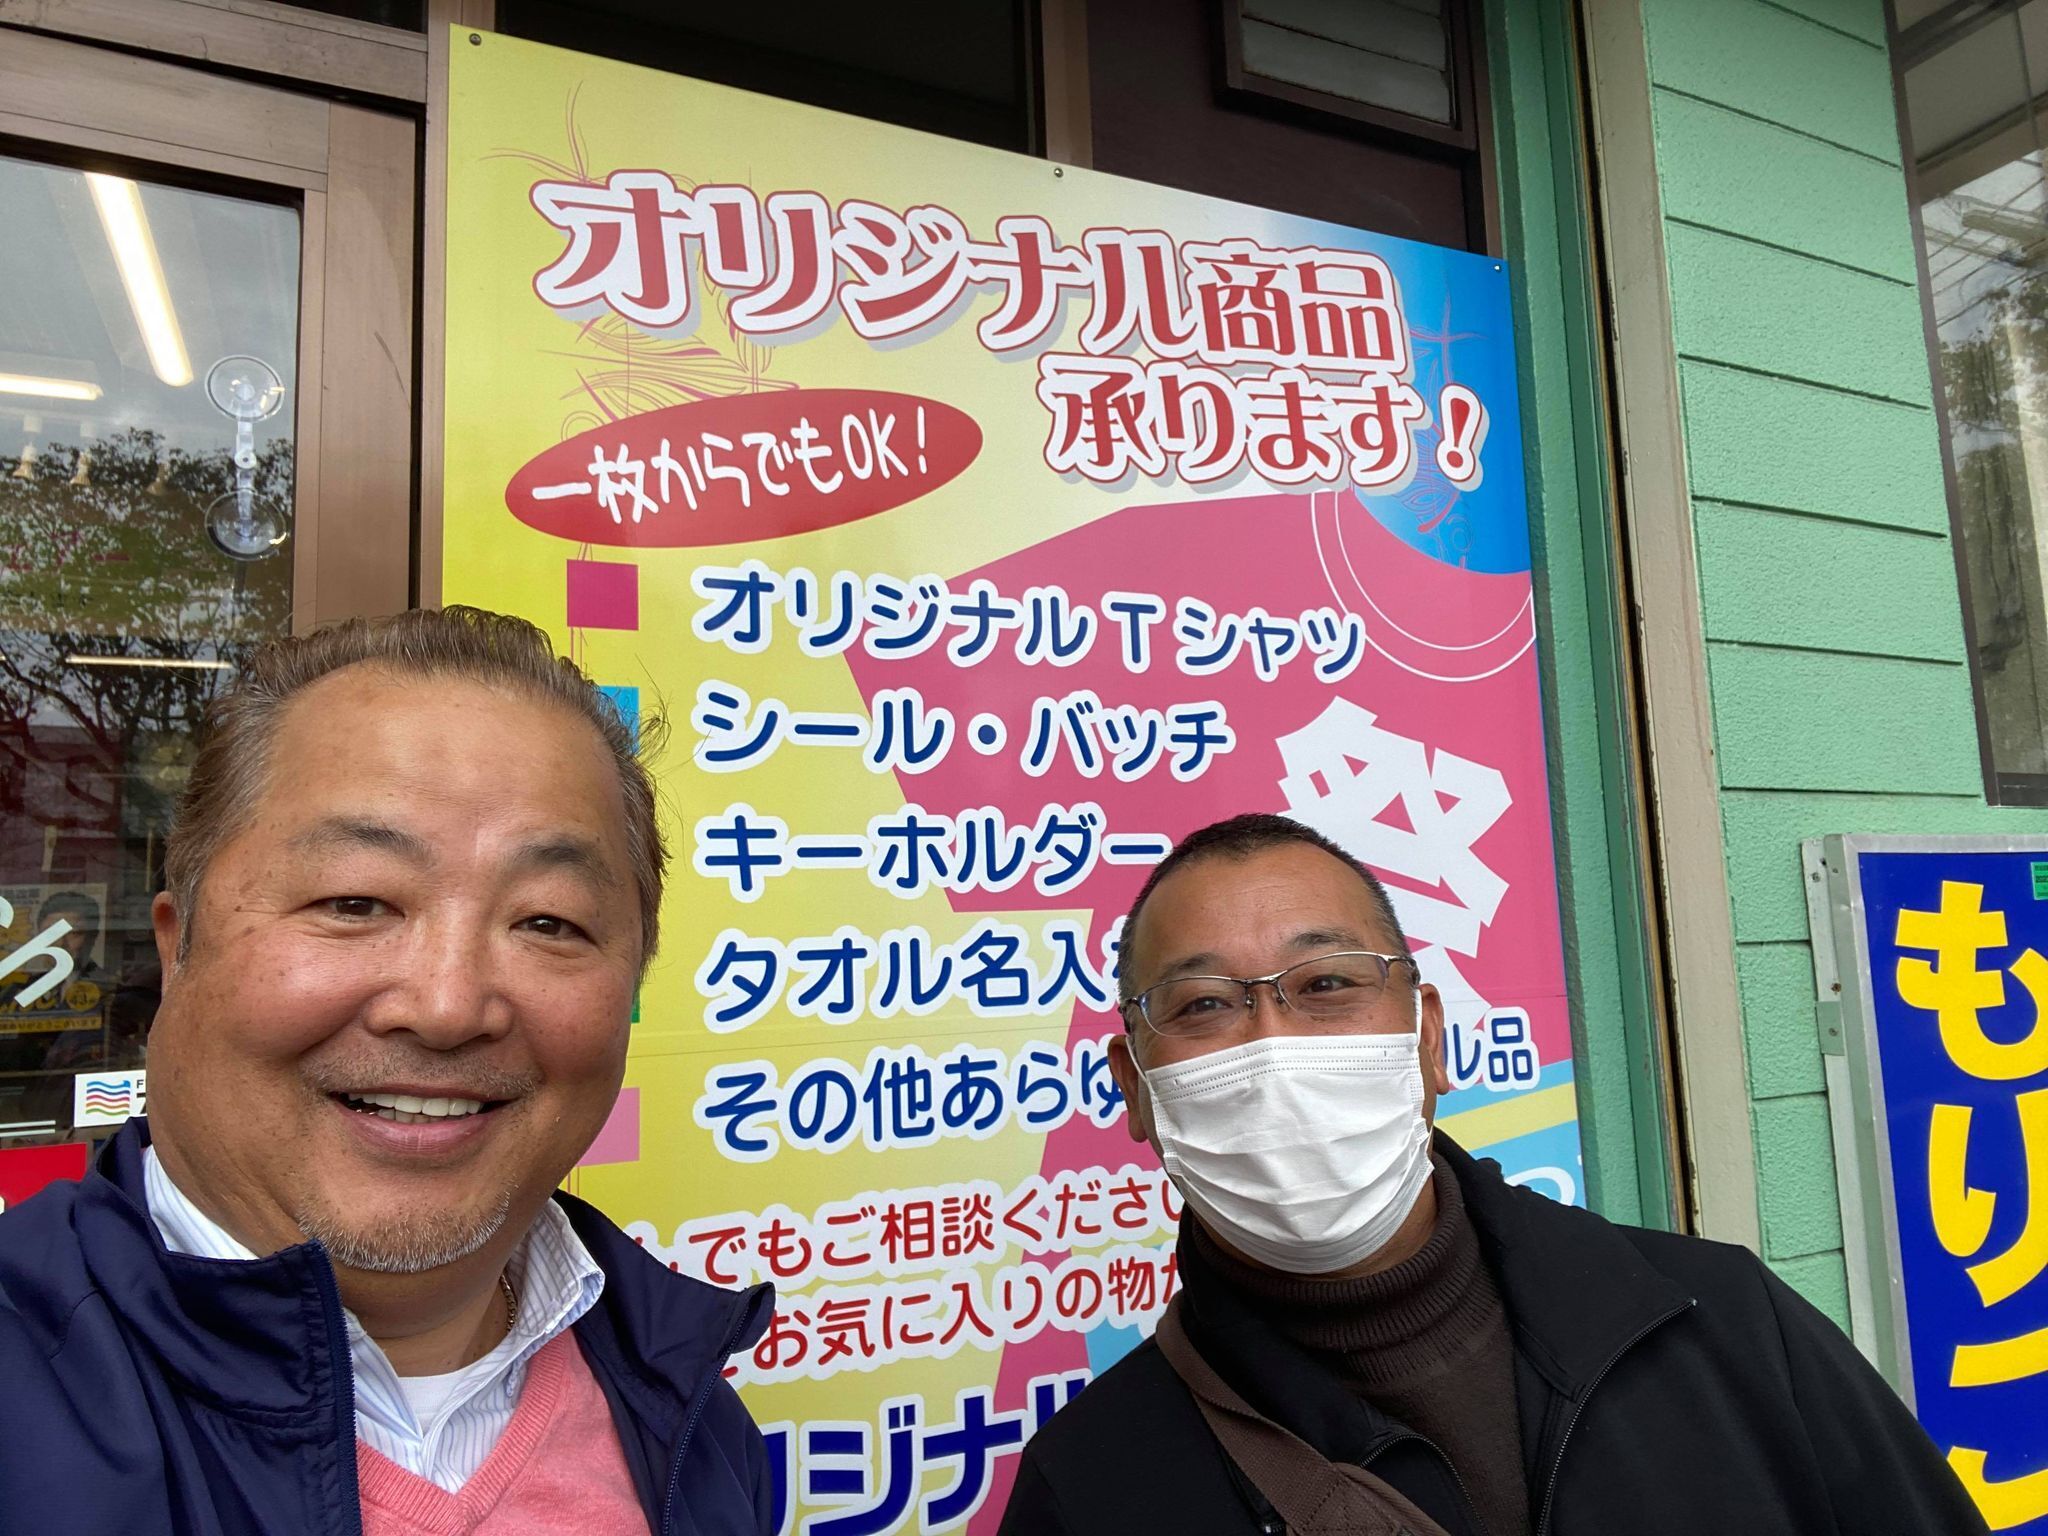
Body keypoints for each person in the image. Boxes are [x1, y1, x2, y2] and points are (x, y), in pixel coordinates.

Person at [0, 608, 775, 1536]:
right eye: (355, 901)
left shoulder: (688, 1413)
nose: (448, 1006)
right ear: (179, 948)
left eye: (548, 921)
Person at [999, 813, 1989, 1536]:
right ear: (1133, 1085)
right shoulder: (1089, 1487)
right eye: (1203, 1005)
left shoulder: (1719, 1320)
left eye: (1327, 983)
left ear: (1428, 1038)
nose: (1272, 1045)